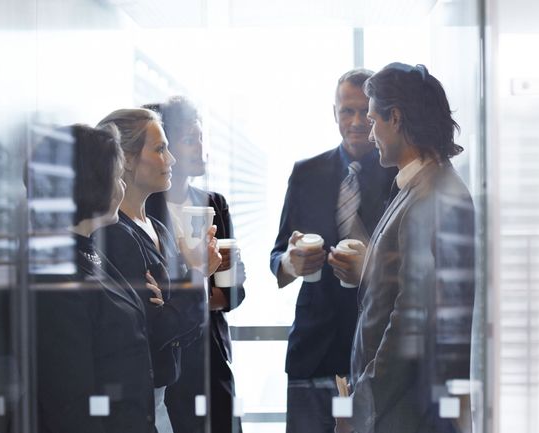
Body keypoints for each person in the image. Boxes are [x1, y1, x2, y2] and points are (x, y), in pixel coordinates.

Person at [341, 63, 475, 433]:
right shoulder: (418, 188)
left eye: (372, 121)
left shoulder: (434, 196)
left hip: (406, 414)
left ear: (395, 118)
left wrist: (362, 404)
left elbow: (408, 324)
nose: (370, 134)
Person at [269, 69, 397, 433]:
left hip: (378, 349)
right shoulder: (306, 173)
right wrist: (291, 263)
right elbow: (277, 256)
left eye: (364, 111)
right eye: (346, 111)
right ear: (334, 113)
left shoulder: (399, 175)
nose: (356, 122)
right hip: (314, 351)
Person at [93, 108, 221, 433]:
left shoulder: (159, 227)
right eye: (160, 149)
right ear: (129, 159)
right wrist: (195, 274)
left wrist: (175, 298)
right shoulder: (114, 234)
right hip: (132, 401)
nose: (172, 160)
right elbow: (154, 330)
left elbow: (181, 326)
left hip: (162, 398)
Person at [34, 124, 163, 433]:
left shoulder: (89, 252)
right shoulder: (58, 275)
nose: (122, 187)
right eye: (118, 177)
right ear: (93, 183)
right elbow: (71, 402)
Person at [144, 97, 246, 433]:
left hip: (211, 356)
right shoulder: (147, 211)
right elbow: (154, 305)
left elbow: (231, 294)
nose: (200, 147)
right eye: (189, 139)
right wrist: (205, 287)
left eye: (201, 137)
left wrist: (214, 286)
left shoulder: (215, 203)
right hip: (170, 362)